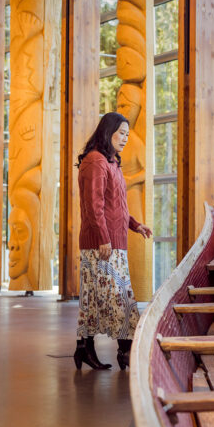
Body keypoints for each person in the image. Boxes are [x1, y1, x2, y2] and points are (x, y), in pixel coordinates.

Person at [75, 112, 152, 371]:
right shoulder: (96, 161)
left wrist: (135, 225)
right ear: (107, 131)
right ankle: (125, 352)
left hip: (112, 244)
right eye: (121, 133)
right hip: (102, 245)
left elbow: (115, 206)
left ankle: (84, 348)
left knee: (96, 299)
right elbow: (93, 205)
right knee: (121, 300)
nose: (125, 138)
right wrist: (103, 238)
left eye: (127, 135)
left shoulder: (111, 162)